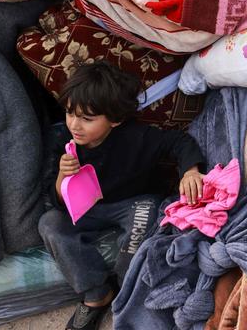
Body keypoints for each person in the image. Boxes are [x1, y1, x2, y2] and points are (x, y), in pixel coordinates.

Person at [38, 62, 206, 330]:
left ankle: (128, 290)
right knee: (49, 222)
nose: (74, 124)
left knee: (146, 213)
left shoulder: (136, 137)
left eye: (87, 118)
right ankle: (96, 294)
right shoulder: (63, 141)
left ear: (114, 119)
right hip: (90, 208)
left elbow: (178, 142)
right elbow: (58, 201)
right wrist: (62, 177)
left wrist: (190, 171)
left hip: (133, 203)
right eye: (70, 113)